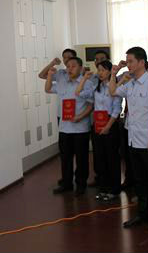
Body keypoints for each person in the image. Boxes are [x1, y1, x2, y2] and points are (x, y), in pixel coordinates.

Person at [109, 47, 148, 234]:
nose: (128, 64)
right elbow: (113, 91)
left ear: (142, 62)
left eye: (131, 61)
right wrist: (114, 74)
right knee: (139, 181)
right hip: (133, 140)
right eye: (127, 61)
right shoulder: (130, 83)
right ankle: (142, 214)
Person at [45, 57, 94, 196]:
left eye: (73, 66)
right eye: (68, 66)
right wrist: (50, 75)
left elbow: (91, 105)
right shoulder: (62, 82)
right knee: (65, 158)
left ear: (80, 68)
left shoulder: (87, 83)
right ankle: (66, 183)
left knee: (81, 158)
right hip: (64, 127)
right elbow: (48, 89)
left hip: (80, 128)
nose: (69, 69)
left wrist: (80, 117)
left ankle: (81, 184)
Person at [76, 60, 123, 201]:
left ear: (110, 71)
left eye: (103, 70)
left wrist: (108, 126)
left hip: (110, 123)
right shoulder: (96, 87)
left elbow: (117, 109)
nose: (100, 73)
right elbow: (78, 92)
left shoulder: (114, 87)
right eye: (99, 70)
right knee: (100, 158)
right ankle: (103, 188)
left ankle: (114, 189)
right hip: (97, 123)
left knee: (112, 158)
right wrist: (84, 78)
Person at [88, 50, 110, 188]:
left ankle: (110, 183)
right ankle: (100, 179)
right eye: (96, 59)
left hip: (109, 121)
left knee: (109, 154)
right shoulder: (93, 79)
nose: (98, 61)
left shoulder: (114, 79)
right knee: (98, 153)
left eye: (102, 59)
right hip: (96, 120)